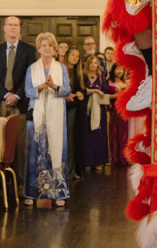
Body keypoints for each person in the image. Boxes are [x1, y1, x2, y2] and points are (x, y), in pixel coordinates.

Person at [24, 32, 70, 207]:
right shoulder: (32, 68)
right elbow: (27, 91)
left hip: (57, 115)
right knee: (35, 153)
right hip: (36, 116)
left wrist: (55, 86)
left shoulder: (61, 68)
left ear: (54, 49)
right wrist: (41, 87)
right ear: (38, 49)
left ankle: (58, 193)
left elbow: (67, 90)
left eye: (50, 45)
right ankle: (32, 193)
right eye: (44, 45)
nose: (47, 48)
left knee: (57, 151)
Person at [0, 16, 35, 116]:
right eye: (10, 25)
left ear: (19, 28)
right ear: (4, 28)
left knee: (18, 131)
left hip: (20, 103)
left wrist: (17, 95)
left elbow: (30, 76)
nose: (13, 27)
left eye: (16, 25)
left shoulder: (29, 50)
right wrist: (6, 94)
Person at [80, 54, 114, 174]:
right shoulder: (83, 76)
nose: (93, 65)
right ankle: (87, 162)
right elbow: (83, 89)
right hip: (87, 110)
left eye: (96, 63)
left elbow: (105, 91)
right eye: (91, 63)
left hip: (100, 110)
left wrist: (96, 91)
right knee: (87, 135)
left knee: (99, 134)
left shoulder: (101, 76)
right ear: (87, 64)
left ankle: (99, 161)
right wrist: (94, 90)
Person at [62, 47, 85, 179]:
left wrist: (81, 94)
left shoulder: (78, 73)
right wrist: (65, 95)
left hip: (73, 109)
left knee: (71, 139)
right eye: (72, 55)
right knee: (62, 139)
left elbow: (81, 89)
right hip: (62, 107)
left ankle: (70, 170)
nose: (75, 58)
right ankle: (62, 171)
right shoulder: (61, 70)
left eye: (77, 56)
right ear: (67, 56)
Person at [108, 64, 130, 165]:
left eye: (121, 69)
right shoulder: (109, 82)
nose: (119, 71)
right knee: (114, 132)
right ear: (113, 70)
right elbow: (105, 96)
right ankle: (114, 158)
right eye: (117, 69)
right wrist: (117, 95)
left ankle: (123, 157)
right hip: (113, 110)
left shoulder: (125, 82)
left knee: (124, 134)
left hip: (124, 111)